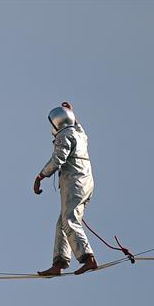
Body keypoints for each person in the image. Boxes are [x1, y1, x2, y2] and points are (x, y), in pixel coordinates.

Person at [33, 102, 98, 276]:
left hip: (74, 182)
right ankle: (59, 262)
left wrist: (40, 176)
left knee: (69, 220)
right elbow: (78, 126)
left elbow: (58, 159)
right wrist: (72, 114)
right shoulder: (79, 133)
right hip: (86, 183)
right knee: (63, 222)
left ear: (56, 123)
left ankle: (88, 258)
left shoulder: (64, 135)